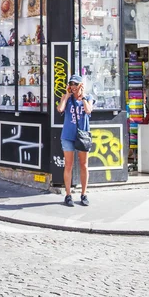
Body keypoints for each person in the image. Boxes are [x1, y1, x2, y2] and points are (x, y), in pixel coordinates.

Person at [56, 74, 94, 207]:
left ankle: (84, 194)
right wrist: (66, 96)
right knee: (68, 165)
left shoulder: (88, 98)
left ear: (81, 85)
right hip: (68, 135)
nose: (73, 87)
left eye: (75, 84)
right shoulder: (67, 98)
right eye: (71, 84)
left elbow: (89, 111)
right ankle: (68, 194)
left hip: (82, 136)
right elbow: (60, 109)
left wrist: (82, 97)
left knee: (84, 165)